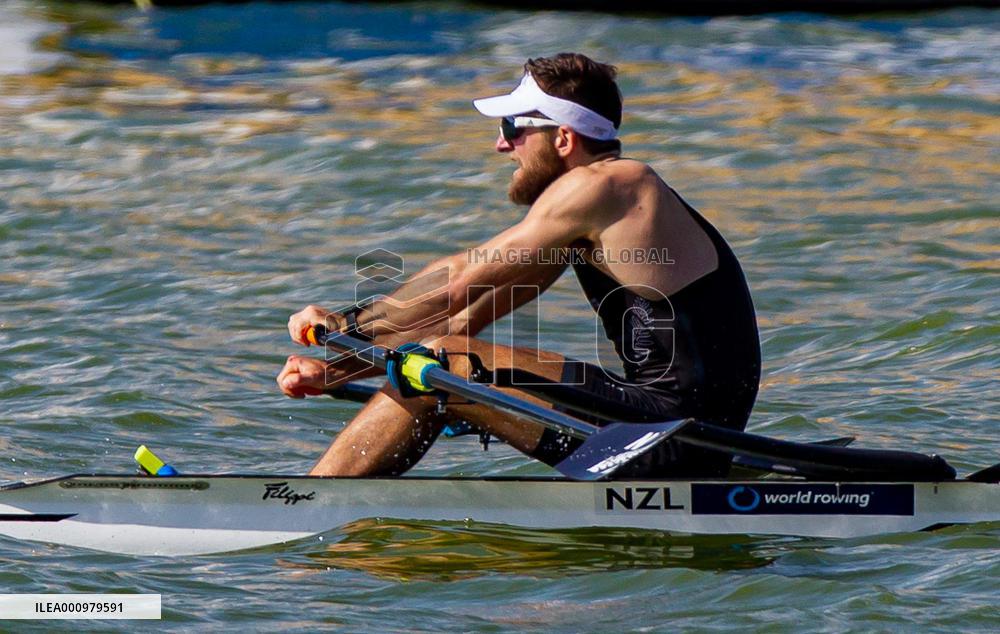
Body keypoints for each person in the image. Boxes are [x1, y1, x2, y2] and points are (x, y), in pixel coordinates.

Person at [277, 53, 760, 477]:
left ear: (564, 138)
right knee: (437, 358)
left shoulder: (611, 184)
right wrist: (340, 369)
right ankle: (321, 497)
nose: (502, 146)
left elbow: (460, 280)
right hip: (674, 428)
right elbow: (473, 312)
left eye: (514, 129)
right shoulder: (598, 207)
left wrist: (345, 322)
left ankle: (309, 504)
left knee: (444, 362)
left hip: (668, 435)